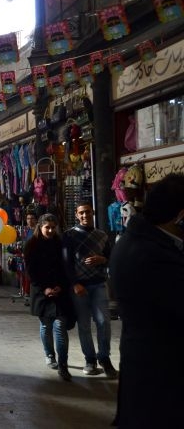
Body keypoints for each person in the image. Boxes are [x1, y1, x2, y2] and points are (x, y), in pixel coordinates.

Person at [109, 173, 184, 428]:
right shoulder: (154, 255)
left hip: (143, 366)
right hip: (162, 374)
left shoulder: (133, 240)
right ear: (180, 216)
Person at [62, 201, 117, 378]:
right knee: (84, 325)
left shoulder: (102, 235)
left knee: (103, 322)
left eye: (88, 212)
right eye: (81, 213)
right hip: (80, 287)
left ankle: (105, 358)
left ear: (92, 213)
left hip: (99, 284)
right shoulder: (69, 235)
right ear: (77, 215)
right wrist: (74, 283)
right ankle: (90, 359)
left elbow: (111, 257)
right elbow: (66, 262)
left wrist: (102, 260)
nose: (85, 216)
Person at [24, 214, 75, 382]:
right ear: (40, 227)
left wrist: (61, 285)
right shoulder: (32, 245)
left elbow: (66, 267)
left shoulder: (61, 244)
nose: (51, 230)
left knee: (60, 326)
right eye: (48, 227)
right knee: (46, 325)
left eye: (54, 227)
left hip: (59, 292)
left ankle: (63, 364)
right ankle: (49, 354)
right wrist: (44, 289)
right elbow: (31, 272)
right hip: (41, 293)